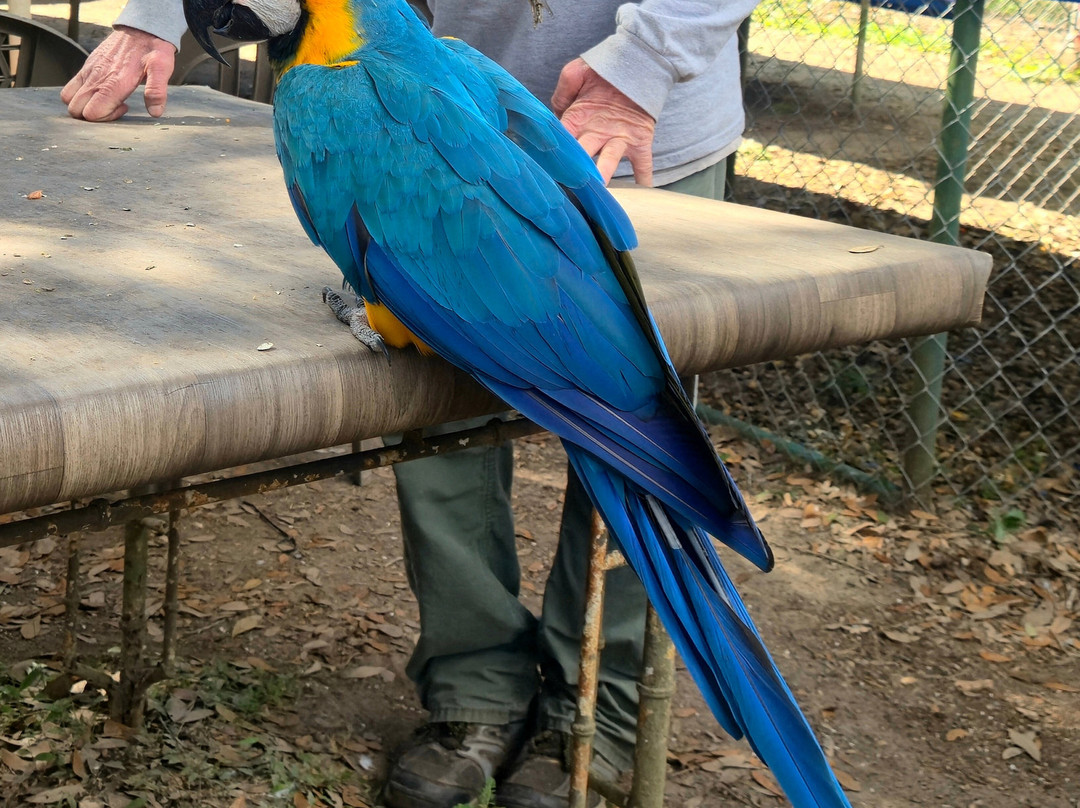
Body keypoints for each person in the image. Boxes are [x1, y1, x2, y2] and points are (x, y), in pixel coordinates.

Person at [61, 2, 756, 805]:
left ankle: (595, 720)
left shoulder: (322, 100)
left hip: (637, 113)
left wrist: (644, 63)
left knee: (626, 492)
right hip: (456, 86)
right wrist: (155, 15)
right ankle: (477, 700)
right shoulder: (342, 87)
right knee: (443, 450)